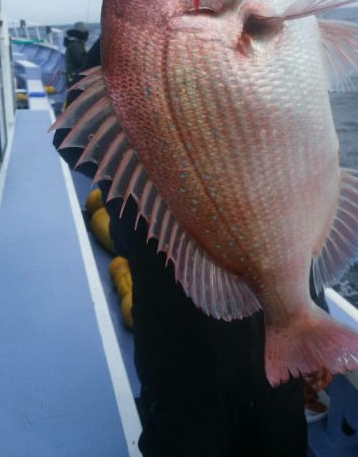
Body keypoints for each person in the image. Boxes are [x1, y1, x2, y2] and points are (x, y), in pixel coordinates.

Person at [54, 39, 331, 456]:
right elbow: (78, 142)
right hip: (183, 359)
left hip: (271, 360)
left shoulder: (267, 130)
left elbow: (291, 230)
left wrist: (313, 321)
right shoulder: (124, 51)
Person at [63, 21, 89, 87]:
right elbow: (79, 62)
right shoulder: (76, 45)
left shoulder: (73, 43)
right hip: (75, 79)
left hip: (72, 77)